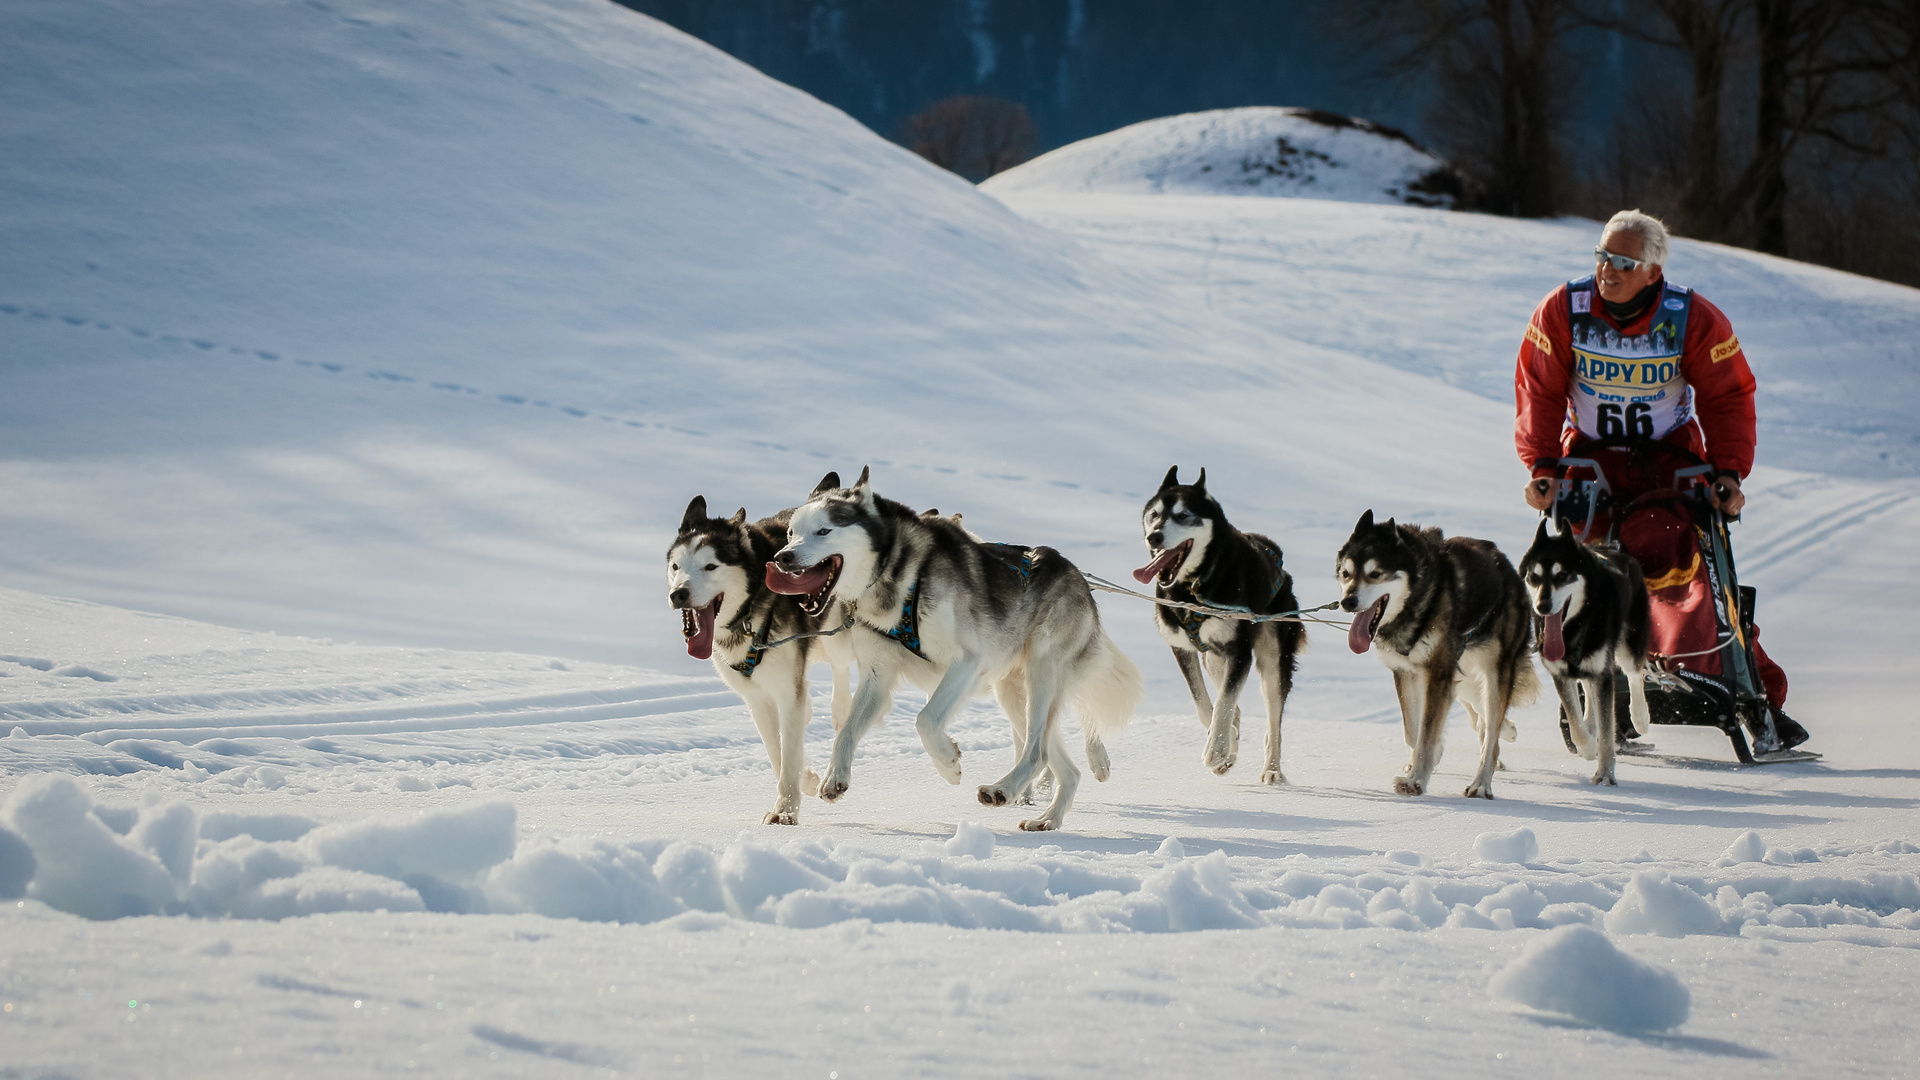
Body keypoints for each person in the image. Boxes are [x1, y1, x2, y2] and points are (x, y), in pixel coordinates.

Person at [1512, 209, 1804, 748]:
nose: (1608, 269)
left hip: (1668, 459)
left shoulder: (1690, 317)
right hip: (1591, 457)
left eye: (1624, 261)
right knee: (1582, 572)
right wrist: (1542, 466)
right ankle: (1595, 687)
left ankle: (1739, 686)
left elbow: (1728, 394)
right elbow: (1539, 388)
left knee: (1679, 557)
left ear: (1653, 271)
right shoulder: (1564, 310)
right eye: (1602, 256)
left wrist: (1728, 472)